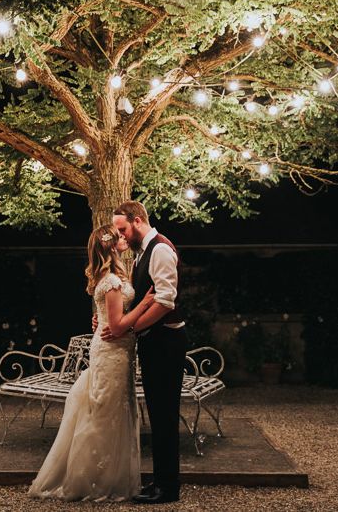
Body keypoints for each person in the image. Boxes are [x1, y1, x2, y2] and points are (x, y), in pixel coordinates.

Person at [28, 224, 155, 502]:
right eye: (118, 236)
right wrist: (145, 304)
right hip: (112, 350)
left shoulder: (115, 275)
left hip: (116, 349)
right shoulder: (110, 281)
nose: (123, 238)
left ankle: (110, 475)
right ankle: (95, 479)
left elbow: (112, 317)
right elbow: (119, 325)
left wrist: (105, 319)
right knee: (106, 412)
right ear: (109, 246)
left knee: (114, 410)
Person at [103, 200, 188, 505]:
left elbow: (165, 301)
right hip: (155, 342)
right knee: (158, 414)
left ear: (137, 221)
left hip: (167, 342)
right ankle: (161, 480)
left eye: (123, 229)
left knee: (165, 415)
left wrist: (130, 329)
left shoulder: (161, 249)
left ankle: (169, 489)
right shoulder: (142, 252)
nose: (121, 235)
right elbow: (142, 299)